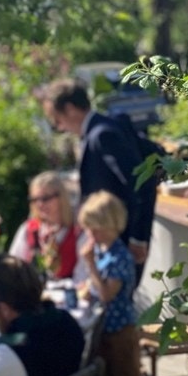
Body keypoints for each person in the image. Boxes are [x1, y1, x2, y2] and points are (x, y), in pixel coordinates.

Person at [76, 191, 167, 376]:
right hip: (104, 331)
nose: (90, 233)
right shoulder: (104, 252)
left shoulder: (119, 257)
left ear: (111, 225)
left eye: (95, 227)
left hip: (121, 333)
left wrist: (89, 264)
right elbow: (96, 288)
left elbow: (107, 293)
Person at [42, 78, 155, 266]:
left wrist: (138, 237)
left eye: (57, 121)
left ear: (70, 109)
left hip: (122, 237)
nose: (60, 128)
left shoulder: (103, 134)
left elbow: (141, 182)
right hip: (112, 236)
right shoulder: (110, 124)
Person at [8, 170, 83, 280]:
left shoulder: (78, 230)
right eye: (34, 200)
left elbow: (84, 274)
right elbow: (14, 266)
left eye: (45, 198)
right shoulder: (28, 230)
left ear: (61, 197)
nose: (40, 204)